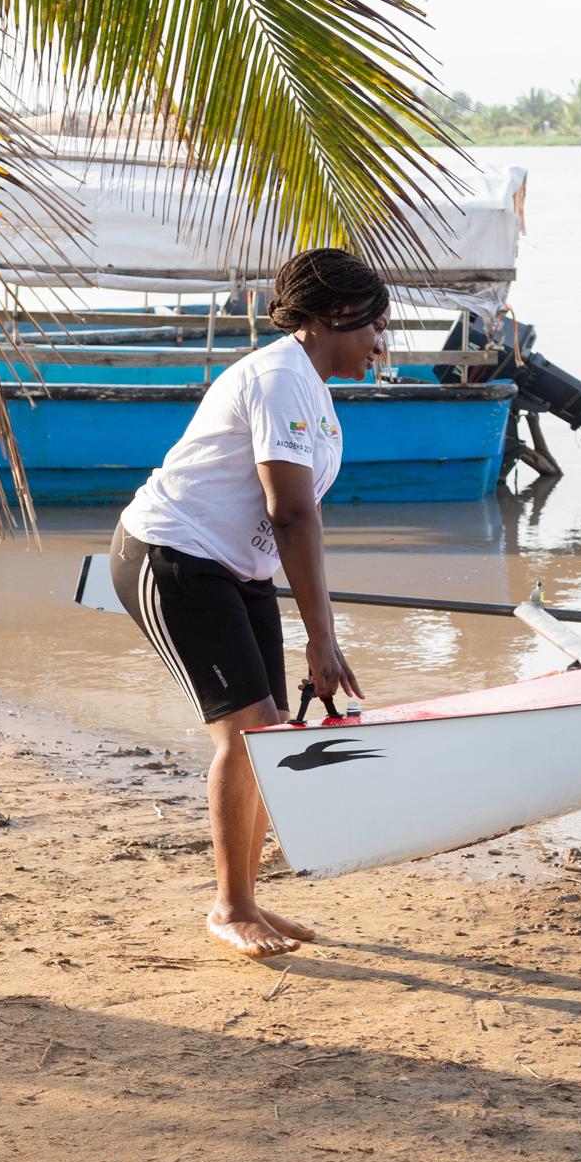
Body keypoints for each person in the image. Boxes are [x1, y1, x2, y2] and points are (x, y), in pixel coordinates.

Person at [109, 248, 385, 958]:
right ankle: (229, 908)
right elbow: (291, 513)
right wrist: (322, 639)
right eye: (373, 326)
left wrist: (320, 634)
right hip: (173, 555)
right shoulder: (278, 378)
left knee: (270, 736)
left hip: (240, 567)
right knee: (247, 731)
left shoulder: (312, 388)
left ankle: (245, 899)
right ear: (333, 316)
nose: (380, 343)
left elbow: (294, 519)